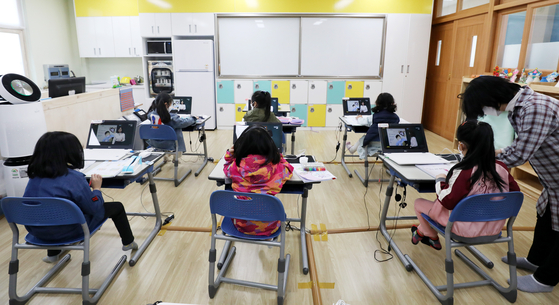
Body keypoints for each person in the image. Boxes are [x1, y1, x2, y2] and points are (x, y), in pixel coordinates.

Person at [462, 76, 559, 293]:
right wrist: (492, 154)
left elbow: (519, 155)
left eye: (481, 108)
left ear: (491, 100)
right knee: (546, 216)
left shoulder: (534, 108)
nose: (484, 113)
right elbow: (521, 144)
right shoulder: (521, 107)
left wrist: (478, 159)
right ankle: (536, 261)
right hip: (553, 179)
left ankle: (545, 279)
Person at [23, 132, 138, 263]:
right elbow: (94, 207)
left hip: (37, 233)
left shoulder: (34, 177)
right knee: (116, 207)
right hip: (69, 231)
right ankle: (128, 242)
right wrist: (96, 189)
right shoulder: (74, 178)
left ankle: (52, 254)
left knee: (51, 211)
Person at [412, 120, 520, 251]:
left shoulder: (465, 171)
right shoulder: (502, 168)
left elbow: (447, 201)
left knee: (419, 203)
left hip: (461, 230)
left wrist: (440, 180)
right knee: (438, 206)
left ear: (461, 145)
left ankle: (430, 234)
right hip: (492, 229)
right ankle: (421, 231)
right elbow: (515, 195)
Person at [223, 125, 294, 236]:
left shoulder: (235, 166)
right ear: (270, 146)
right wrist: (279, 157)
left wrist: (229, 156)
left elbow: (226, 169)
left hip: (241, 225)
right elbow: (289, 169)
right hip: (270, 225)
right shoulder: (277, 169)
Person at [346, 93, 400, 159]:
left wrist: (359, 118)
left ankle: (352, 149)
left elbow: (362, 122)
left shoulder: (374, 117)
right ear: (392, 103)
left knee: (363, 138)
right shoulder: (396, 118)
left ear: (377, 103)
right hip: (389, 144)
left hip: (375, 143)